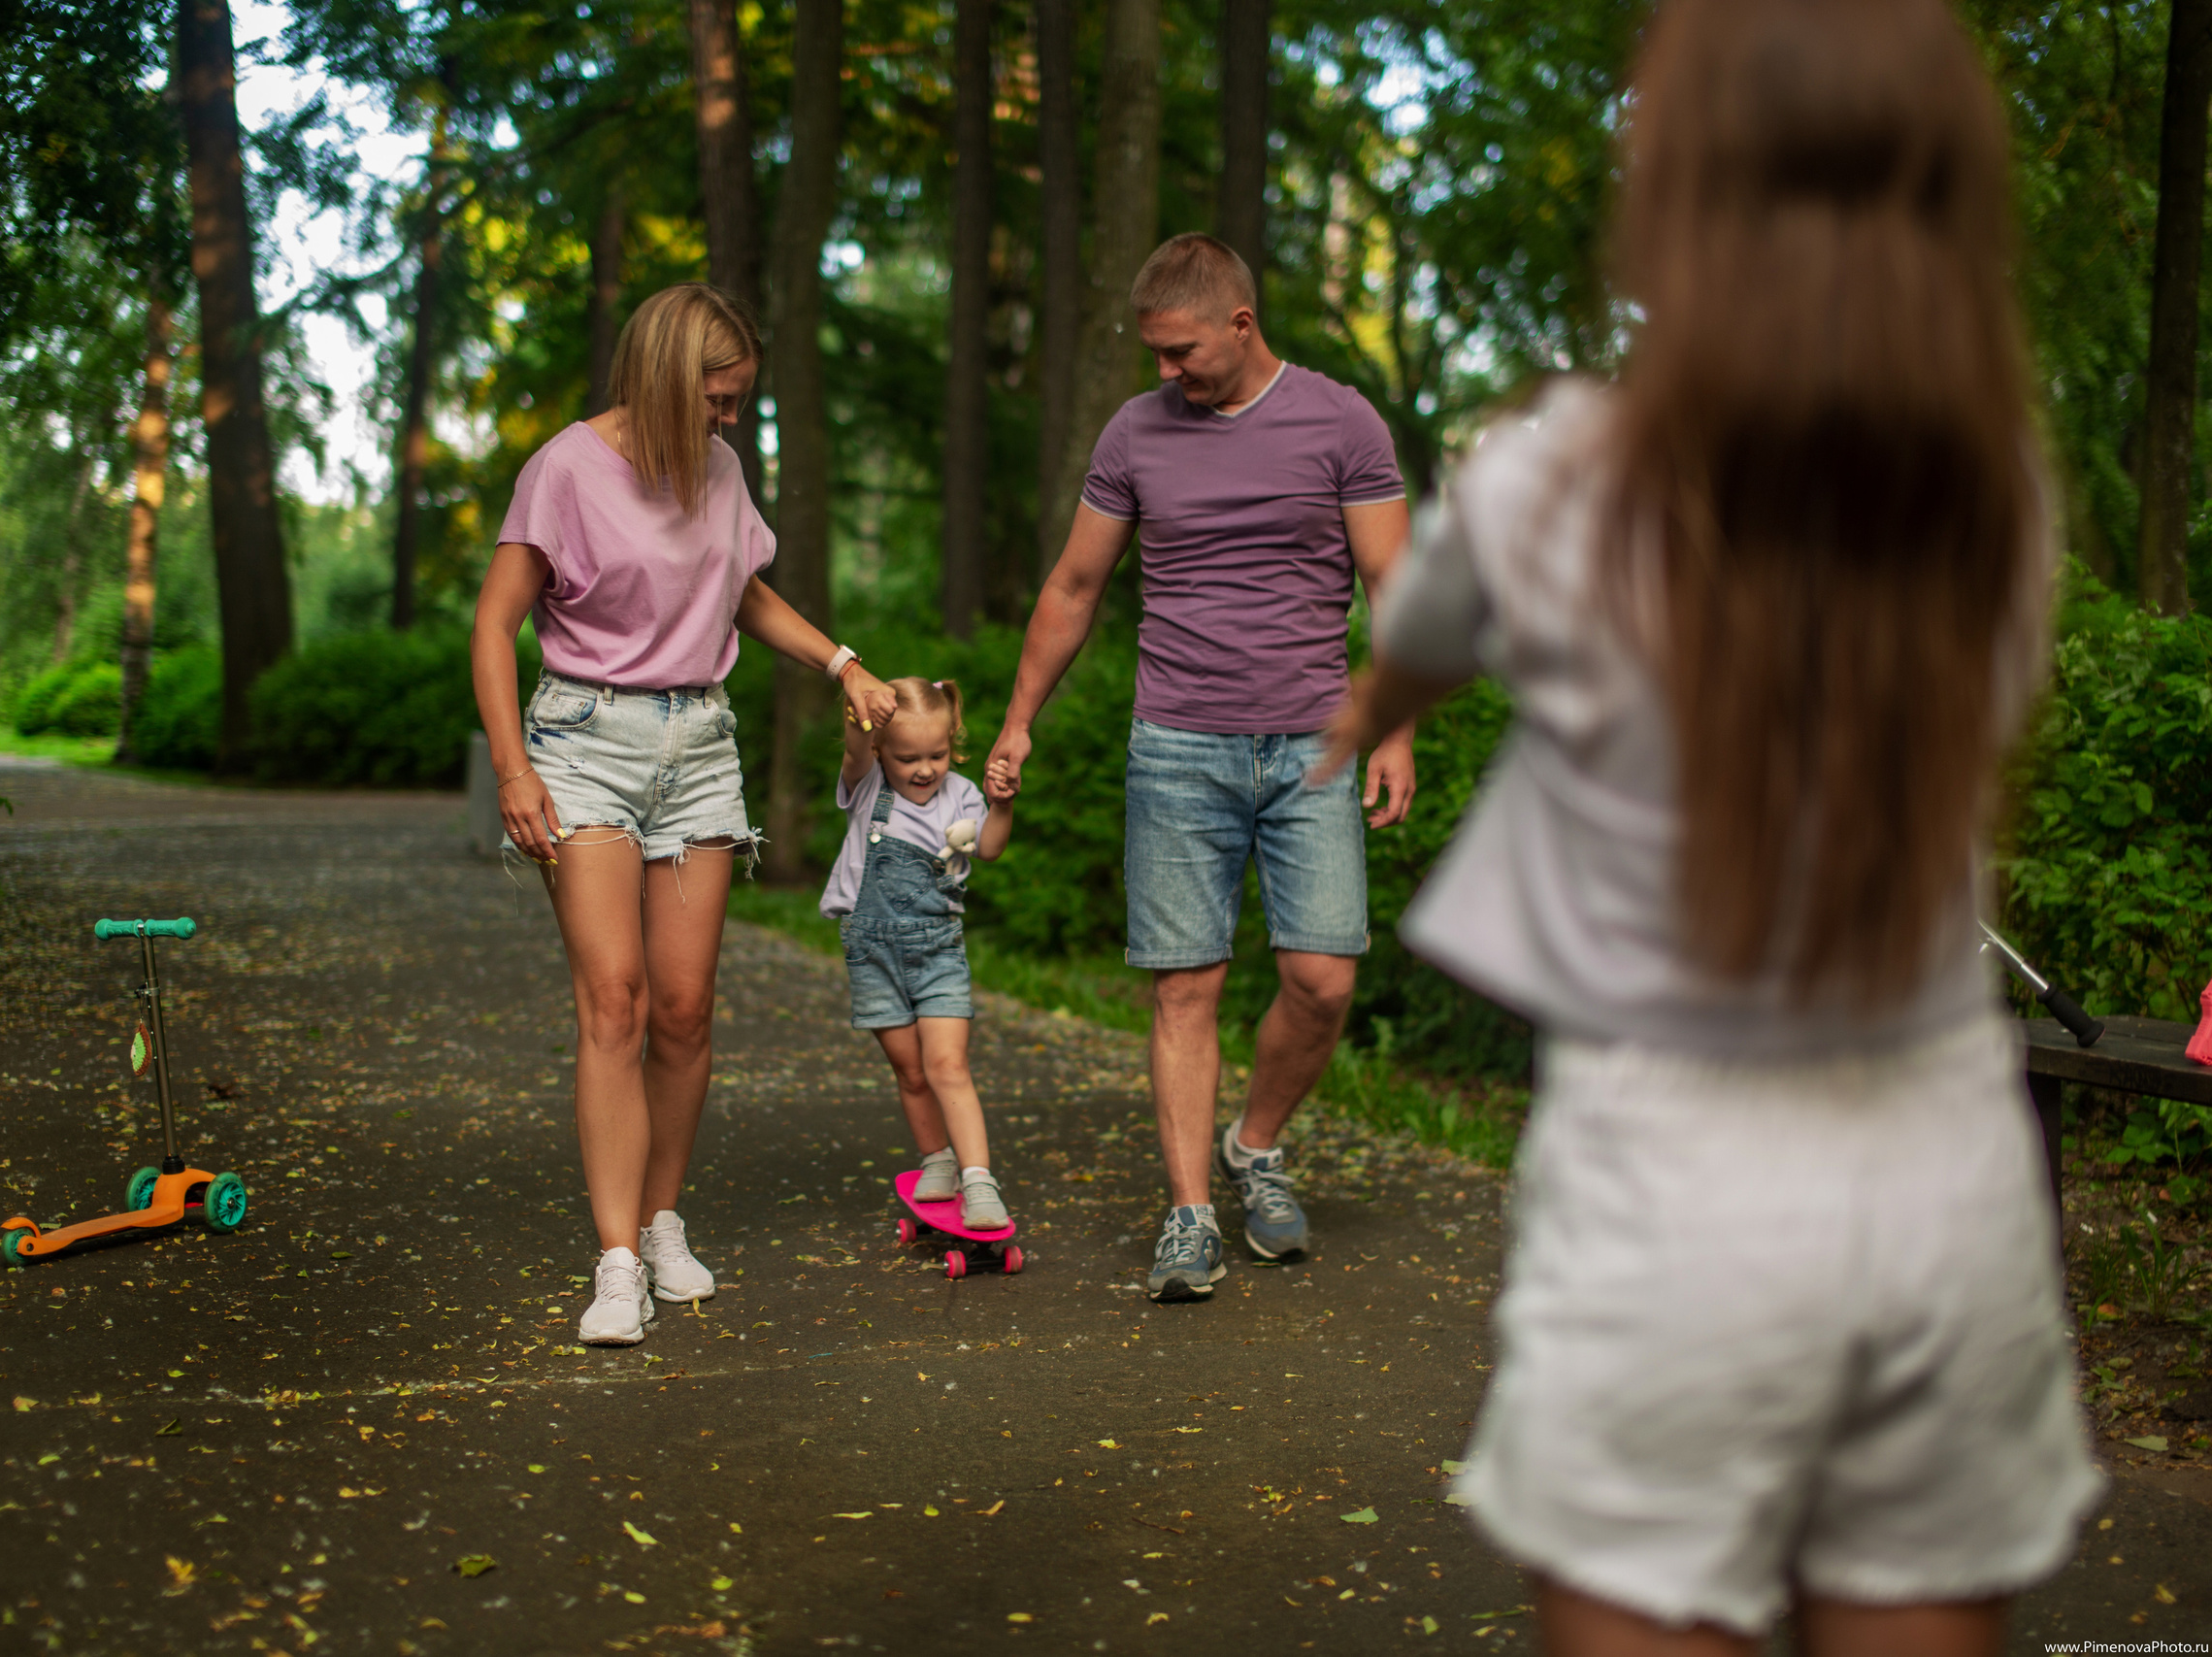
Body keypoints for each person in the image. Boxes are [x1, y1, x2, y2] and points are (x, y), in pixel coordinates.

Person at [1323, 1, 2100, 1648]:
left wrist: (1371, 712)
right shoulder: (2000, 495)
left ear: (1676, 190)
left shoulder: (1558, 480)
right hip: (1949, 1175)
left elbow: (1422, 639)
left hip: (1674, 1190)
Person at [987, 233, 1414, 1302]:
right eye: (1154, 352)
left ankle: (1253, 1144)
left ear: (1240, 322)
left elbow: (1393, 582)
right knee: (1186, 984)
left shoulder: (1342, 421)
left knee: (1323, 981)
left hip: (1314, 746)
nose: (1164, 370)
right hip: (1177, 743)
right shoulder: (1135, 432)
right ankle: (1188, 1218)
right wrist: (1018, 720)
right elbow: (1074, 587)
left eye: (1181, 350)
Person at [472, 282, 899, 1347]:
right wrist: (514, 770)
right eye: (717, 397)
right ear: (666, 378)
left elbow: (737, 590)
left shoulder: (720, 469)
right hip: (584, 743)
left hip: (700, 746)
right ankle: (617, 1261)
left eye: (738, 398)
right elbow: (493, 625)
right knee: (612, 1002)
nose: (730, 417)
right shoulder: (566, 469)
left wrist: (842, 663)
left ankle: (662, 1220)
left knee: (684, 1009)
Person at [821, 678, 1017, 1229]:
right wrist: (859, 715)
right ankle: (938, 1158)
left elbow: (989, 848)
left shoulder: (962, 795)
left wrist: (1001, 805)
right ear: (880, 749)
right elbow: (854, 749)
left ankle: (979, 1180)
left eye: (937, 754)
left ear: (952, 743)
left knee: (947, 1065)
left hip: (938, 950)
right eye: (908, 758)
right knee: (910, 1071)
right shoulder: (867, 786)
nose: (925, 769)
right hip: (872, 953)